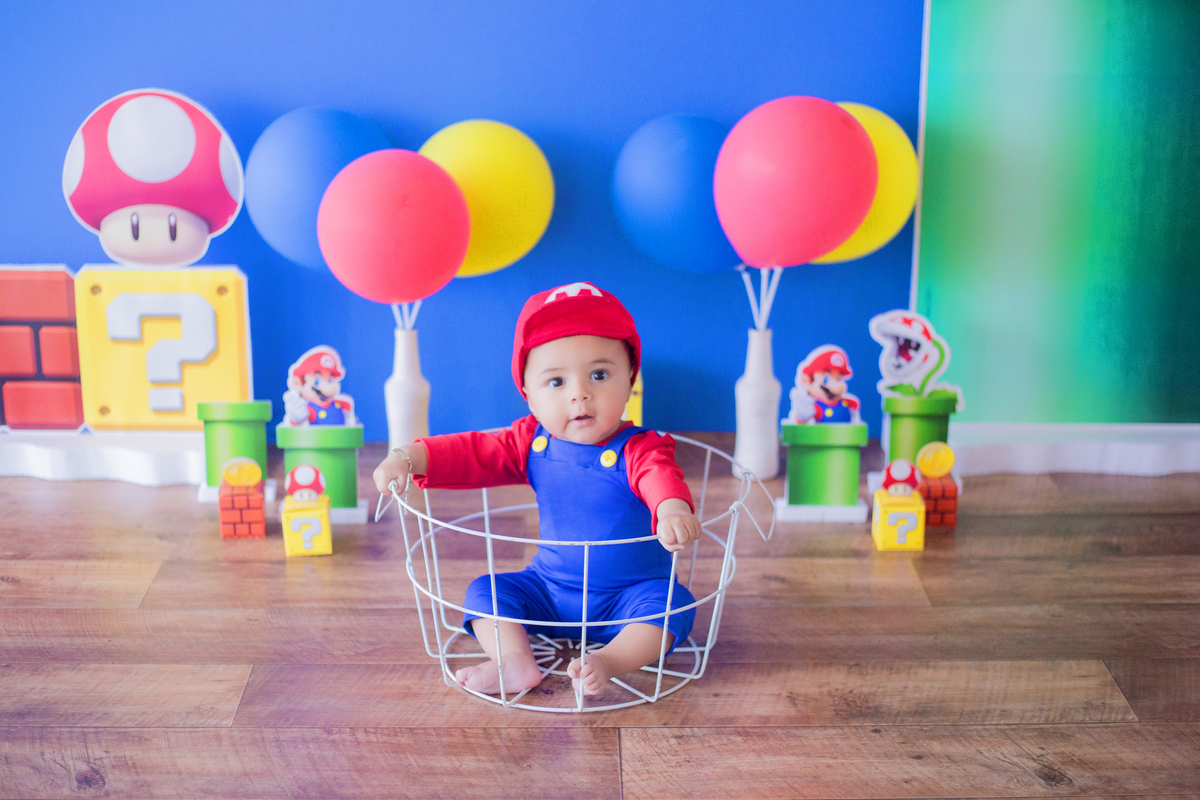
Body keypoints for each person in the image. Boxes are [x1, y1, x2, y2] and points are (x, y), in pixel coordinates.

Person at [373, 281, 701, 696]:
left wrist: (671, 509)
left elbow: (658, 475)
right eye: (556, 382)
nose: (580, 393)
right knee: (487, 590)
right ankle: (513, 661)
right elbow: (471, 451)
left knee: (673, 604)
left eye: (599, 375)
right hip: (549, 591)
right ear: (528, 395)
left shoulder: (639, 447)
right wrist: (407, 457)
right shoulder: (531, 442)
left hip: (629, 597)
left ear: (630, 380)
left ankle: (610, 660)